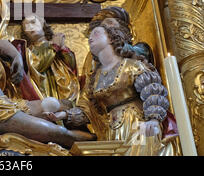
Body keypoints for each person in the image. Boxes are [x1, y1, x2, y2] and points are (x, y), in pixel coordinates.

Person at [56, 22, 179, 155]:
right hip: (111, 130)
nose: (90, 38)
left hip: (137, 124)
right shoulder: (94, 78)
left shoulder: (132, 66)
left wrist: (154, 119)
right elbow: (88, 110)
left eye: (96, 33)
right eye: (89, 36)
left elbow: (152, 92)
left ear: (112, 38)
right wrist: (64, 115)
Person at [19, 13, 79, 102]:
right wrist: (54, 48)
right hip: (42, 89)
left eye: (33, 22)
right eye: (26, 26)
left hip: (61, 87)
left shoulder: (55, 42)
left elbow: (71, 65)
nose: (30, 27)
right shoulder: (29, 51)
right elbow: (37, 66)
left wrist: (64, 50)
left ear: (42, 24)